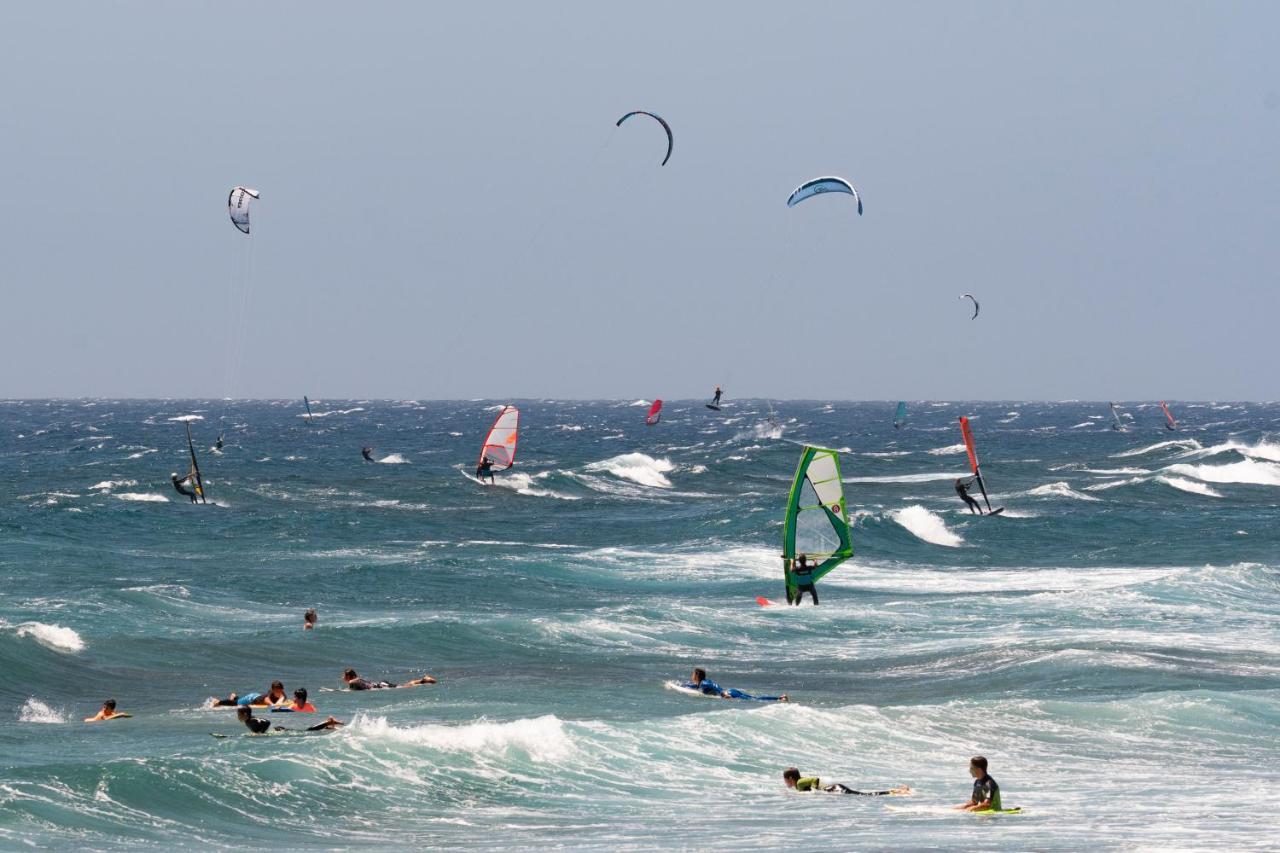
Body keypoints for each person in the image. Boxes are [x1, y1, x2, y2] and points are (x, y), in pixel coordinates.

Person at [682, 668, 788, 702]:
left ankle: (779, 698)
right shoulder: (701, 684)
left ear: (696, 675)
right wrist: (679, 685)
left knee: (755, 699)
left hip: (729, 693)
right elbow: (692, 686)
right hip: (731, 691)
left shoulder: (705, 683)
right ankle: (780, 698)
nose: (691, 676)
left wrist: (723, 693)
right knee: (754, 698)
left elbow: (715, 685)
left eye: (692, 674)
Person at [783, 768, 910, 796]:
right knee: (863, 794)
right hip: (835, 788)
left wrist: (817, 789)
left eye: (785, 780)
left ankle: (898, 791)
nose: (785, 783)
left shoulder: (799, 783)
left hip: (835, 788)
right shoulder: (801, 783)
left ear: (790, 779)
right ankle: (896, 790)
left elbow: (816, 779)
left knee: (865, 795)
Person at [342, 668, 437, 690]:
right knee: (404, 686)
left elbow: (352, 689)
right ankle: (423, 680)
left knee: (405, 687)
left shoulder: (352, 681)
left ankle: (424, 680)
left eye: (344, 676)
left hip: (380, 686)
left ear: (349, 676)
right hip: (381, 684)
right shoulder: (358, 679)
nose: (343, 677)